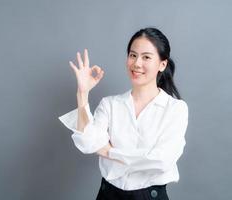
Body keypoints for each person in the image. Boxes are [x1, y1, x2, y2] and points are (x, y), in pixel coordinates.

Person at [58, 27, 189, 200]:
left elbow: (162, 160)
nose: (137, 63)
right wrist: (82, 93)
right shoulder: (110, 104)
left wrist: (109, 152)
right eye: (133, 55)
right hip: (108, 195)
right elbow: (88, 143)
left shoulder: (175, 109)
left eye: (146, 57)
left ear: (162, 64)